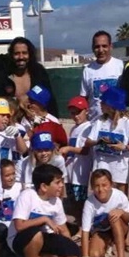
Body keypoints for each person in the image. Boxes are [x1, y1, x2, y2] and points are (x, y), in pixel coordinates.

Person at [7, 164, 80, 257]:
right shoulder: (27, 195)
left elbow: (64, 230)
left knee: (74, 253)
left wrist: (70, 249)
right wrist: (44, 219)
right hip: (19, 240)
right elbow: (19, 226)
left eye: (61, 182)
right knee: (36, 234)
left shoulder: (56, 202)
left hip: (42, 239)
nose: (61, 185)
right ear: (44, 187)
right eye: (57, 182)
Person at [85, 85, 129, 252]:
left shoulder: (127, 122)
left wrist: (123, 146)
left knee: (121, 202)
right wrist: (99, 141)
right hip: (102, 164)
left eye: (104, 102)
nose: (100, 105)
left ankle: (126, 238)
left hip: (119, 166)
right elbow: (89, 141)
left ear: (112, 105)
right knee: (100, 198)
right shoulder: (99, 121)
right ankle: (100, 233)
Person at [77, 169, 129, 257]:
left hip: (121, 228)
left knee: (113, 216)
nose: (101, 189)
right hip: (101, 231)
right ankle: (106, 248)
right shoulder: (89, 202)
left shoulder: (119, 195)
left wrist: (121, 212)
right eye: (96, 186)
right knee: (94, 256)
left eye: (104, 185)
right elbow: (85, 231)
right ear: (92, 187)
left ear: (111, 184)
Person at [0, 36, 59, 117]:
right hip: (12, 123)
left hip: (38, 120)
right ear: (11, 55)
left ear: (30, 54)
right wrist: (17, 101)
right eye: (17, 53)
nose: (21, 57)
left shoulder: (38, 71)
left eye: (24, 53)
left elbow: (50, 98)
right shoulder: (3, 75)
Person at [58, 96, 92, 227]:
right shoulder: (73, 129)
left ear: (86, 111)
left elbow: (85, 150)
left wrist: (68, 148)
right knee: (73, 200)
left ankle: (84, 226)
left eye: (78, 112)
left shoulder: (88, 127)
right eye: (73, 113)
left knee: (80, 201)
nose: (75, 116)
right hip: (71, 170)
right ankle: (79, 223)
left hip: (80, 172)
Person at [80, 30, 125, 121]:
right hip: (94, 124)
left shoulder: (121, 66)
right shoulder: (88, 70)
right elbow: (83, 98)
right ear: (93, 48)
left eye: (104, 46)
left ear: (111, 47)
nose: (101, 50)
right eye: (97, 47)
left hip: (117, 124)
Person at [0, 158, 22, 256]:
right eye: (7, 175)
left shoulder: (20, 187)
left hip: (17, 223)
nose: (11, 177)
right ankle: (1, 247)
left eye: (13, 174)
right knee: (1, 231)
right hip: (1, 222)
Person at [0, 97, 28, 162]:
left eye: (8, 116)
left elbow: (23, 151)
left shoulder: (10, 132)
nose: (6, 118)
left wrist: (17, 135)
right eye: (2, 115)